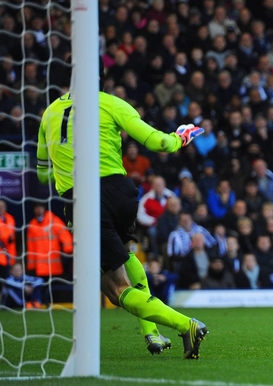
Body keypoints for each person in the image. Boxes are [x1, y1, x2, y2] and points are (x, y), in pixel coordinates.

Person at [36, 90, 208, 358]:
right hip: (121, 192)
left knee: (114, 288)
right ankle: (152, 333)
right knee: (126, 255)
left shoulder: (50, 113)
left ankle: (187, 325)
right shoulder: (111, 102)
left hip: (84, 199)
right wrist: (180, 137)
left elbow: (43, 174)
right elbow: (159, 142)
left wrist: (66, 163)